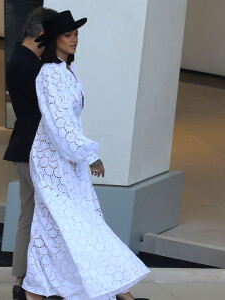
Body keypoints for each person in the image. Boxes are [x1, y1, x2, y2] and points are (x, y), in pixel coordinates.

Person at [20, 10, 150, 300]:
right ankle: (119, 293)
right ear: (53, 39)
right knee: (76, 224)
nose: (75, 39)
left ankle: (35, 292)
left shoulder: (67, 70)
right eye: (68, 34)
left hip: (66, 159)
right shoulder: (50, 75)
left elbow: (67, 123)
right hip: (53, 161)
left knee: (55, 226)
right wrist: (89, 154)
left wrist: (81, 154)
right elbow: (60, 125)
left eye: (76, 34)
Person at [3, 7, 58, 300]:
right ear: (40, 35)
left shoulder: (22, 60)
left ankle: (20, 281)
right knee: (46, 217)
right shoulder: (29, 66)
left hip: (23, 148)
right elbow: (45, 112)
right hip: (33, 151)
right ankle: (33, 285)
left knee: (29, 215)